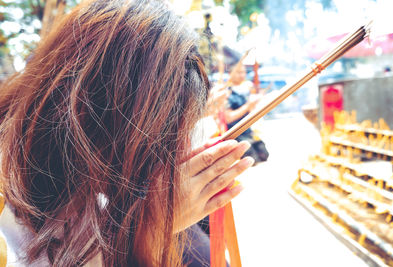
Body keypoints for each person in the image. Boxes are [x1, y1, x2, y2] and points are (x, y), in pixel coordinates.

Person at [0, 0, 254, 266]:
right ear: (91, 113)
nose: (168, 157)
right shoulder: (10, 203)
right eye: (157, 142)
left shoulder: (77, 172)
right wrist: (150, 233)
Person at [225, 63, 269, 164]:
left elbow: (252, 111)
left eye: (244, 72)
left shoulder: (247, 89)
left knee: (264, 155)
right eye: (238, 72)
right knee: (252, 160)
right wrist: (248, 106)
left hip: (248, 130)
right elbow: (229, 118)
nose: (242, 75)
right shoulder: (226, 92)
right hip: (235, 132)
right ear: (230, 73)